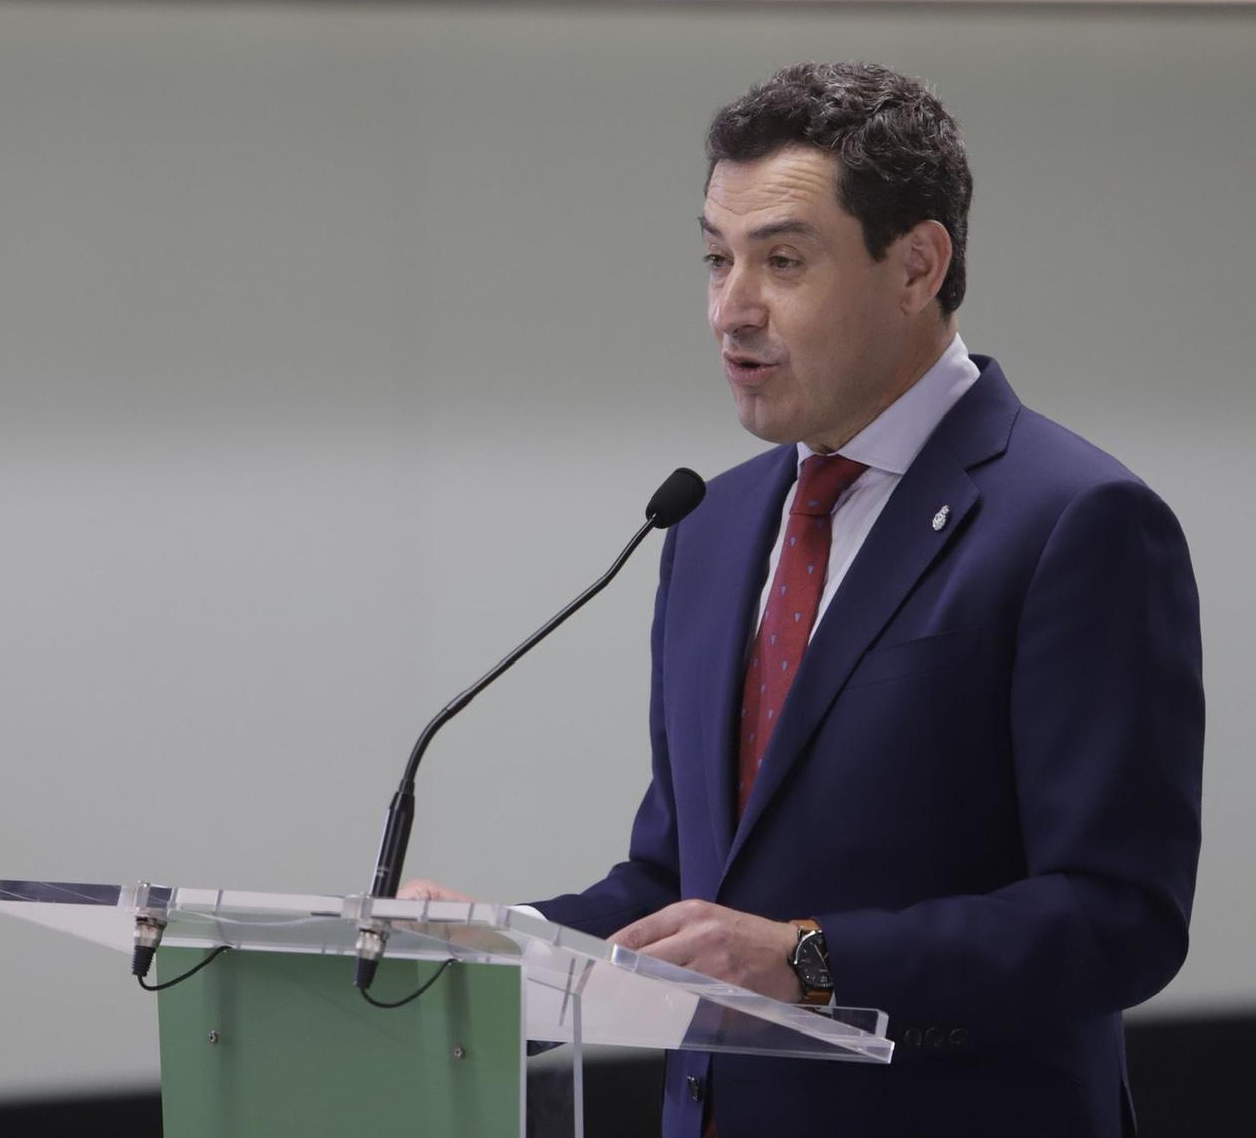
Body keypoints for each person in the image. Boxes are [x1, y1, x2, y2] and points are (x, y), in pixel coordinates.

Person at [402, 62, 1204, 1138]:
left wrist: (808, 957)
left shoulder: (1073, 520)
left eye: (781, 260)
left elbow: (1118, 918)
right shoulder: (709, 524)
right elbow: (680, 877)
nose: (731, 309)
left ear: (917, 264)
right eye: (714, 259)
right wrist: (503, 953)